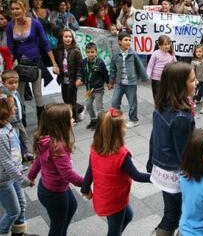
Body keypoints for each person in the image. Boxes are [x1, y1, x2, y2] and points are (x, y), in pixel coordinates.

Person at [81, 107, 151, 235]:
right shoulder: (121, 155)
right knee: (114, 230)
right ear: (117, 132)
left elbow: (90, 170)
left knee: (128, 216)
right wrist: (158, 178)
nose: (126, 128)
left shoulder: (95, 148)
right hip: (115, 201)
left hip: (105, 197)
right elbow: (137, 176)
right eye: (124, 126)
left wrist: (85, 189)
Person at [147, 62, 197, 236]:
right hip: (176, 175)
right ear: (179, 85)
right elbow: (185, 153)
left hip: (161, 169)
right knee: (182, 215)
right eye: (192, 79)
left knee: (171, 210)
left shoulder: (162, 106)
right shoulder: (182, 116)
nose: (196, 82)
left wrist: (150, 160)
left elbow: (154, 137)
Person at [28, 103, 84, 236]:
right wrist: (87, 183)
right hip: (54, 193)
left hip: (48, 188)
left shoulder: (46, 139)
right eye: (70, 118)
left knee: (72, 206)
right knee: (57, 226)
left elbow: (38, 161)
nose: (73, 120)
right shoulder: (57, 146)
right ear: (61, 123)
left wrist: (30, 176)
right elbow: (68, 174)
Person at [6, 0, 59, 121]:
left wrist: (54, 63)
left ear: (23, 9)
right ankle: (21, 121)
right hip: (19, 64)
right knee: (18, 95)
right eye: (12, 9)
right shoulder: (10, 25)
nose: (15, 11)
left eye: (17, 8)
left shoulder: (35, 23)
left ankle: (41, 123)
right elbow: (10, 47)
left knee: (38, 94)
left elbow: (45, 44)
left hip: (35, 63)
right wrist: (9, 67)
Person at [0, 91, 36, 236]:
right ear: (4, 112)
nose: (16, 108)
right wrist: (23, 180)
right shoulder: (1, 135)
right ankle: (2, 231)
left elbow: (14, 154)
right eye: (13, 106)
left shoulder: (9, 127)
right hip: (4, 180)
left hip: (13, 175)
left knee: (22, 204)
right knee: (13, 211)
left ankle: (19, 232)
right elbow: (7, 162)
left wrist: (21, 167)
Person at [108, 32, 147, 128]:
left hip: (131, 83)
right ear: (120, 42)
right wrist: (111, 81)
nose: (128, 42)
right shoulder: (116, 54)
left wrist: (144, 77)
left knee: (132, 103)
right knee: (114, 102)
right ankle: (116, 119)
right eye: (126, 40)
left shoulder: (133, 54)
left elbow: (140, 66)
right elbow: (113, 69)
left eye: (129, 40)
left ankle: (134, 120)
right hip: (119, 83)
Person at [1, 71, 33, 163]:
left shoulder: (15, 92)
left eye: (16, 82)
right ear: (3, 83)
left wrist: (22, 113)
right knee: (15, 141)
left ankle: (26, 154)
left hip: (19, 120)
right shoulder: (5, 96)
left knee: (24, 137)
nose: (14, 85)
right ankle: (17, 159)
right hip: (12, 122)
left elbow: (19, 103)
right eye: (10, 83)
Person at [53, 29, 85, 123]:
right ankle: (81, 108)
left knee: (71, 99)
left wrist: (79, 78)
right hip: (63, 79)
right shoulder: (58, 50)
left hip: (73, 80)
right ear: (61, 38)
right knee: (65, 99)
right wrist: (56, 70)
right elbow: (57, 64)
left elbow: (80, 66)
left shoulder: (76, 51)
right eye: (66, 37)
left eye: (70, 37)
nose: (68, 39)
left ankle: (74, 118)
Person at [79, 42, 109, 129]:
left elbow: (105, 74)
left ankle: (101, 123)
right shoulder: (84, 62)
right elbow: (82, 73)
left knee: (99, 107)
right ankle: (93, 120)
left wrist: (109, 83)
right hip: (88, 89)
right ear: (85, 52)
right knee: (88, 106)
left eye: (92, 52)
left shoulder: (100, 62)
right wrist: (80, 80)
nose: (90, 54)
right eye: (88, 52)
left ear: (96, 52)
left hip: (98, 89)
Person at [146, 35, 177, 102]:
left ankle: (166, 110)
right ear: (160, 45)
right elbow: (150, 66)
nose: (167, 46)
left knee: (168, 96)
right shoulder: (155, 54)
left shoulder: (171, 54)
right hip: (156, 80)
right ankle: (158, 109)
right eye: (165, 44)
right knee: (157, 97)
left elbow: (176, 64)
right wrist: (147, 75)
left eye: (169, 44)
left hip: (168, 79)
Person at [191, 45, 203, 114]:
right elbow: (192, 71)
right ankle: (191, 105)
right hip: (196, 80)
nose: (198, 53)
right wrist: (194, 79)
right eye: (197, 51)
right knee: (193, 92)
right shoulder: (194, 62)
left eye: (200, 51)